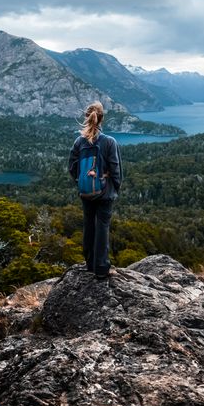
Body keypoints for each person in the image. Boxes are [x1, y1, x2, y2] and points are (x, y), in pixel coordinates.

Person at [68, 101, 122, 278]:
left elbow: (72, 167)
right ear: (102, 119)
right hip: (104, 192)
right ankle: (101, 268)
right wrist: (114, 188)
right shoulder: (109, 142)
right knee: (102, 227)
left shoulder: (79, 142)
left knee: (89, 225)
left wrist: (82, 181)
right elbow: (115, 170)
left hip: (86, 193)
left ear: (87, 117)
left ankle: (89, 264)